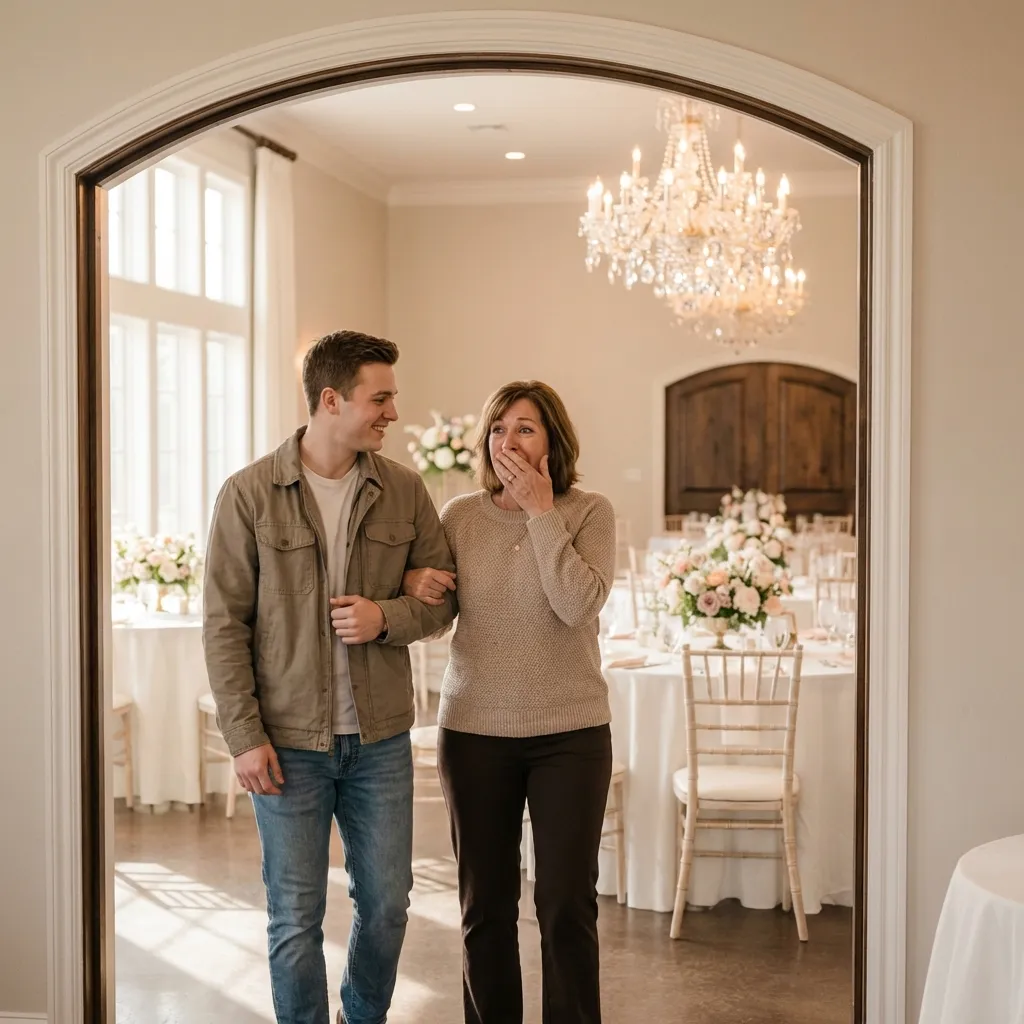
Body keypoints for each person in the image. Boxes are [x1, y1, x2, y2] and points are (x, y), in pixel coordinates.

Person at [202, 330, 458, 1024]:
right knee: (294, 917)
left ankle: (362, 1017)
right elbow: (224, 626)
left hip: (378, 741)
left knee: (386, 905)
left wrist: (387, 617)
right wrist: (243, 736)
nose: (392, 413)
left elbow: (445, 600)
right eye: (381, 399)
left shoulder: (404, 491)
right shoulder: (249, 495)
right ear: (330, 399)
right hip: (286, 744)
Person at [402, 380, 617, 1024]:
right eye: (499, 428)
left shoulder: (589, 512)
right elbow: (436, 620)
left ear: (554, 438)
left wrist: (541, 511)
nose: (508, 440)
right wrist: (416, 583)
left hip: (571, 732)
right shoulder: (460, 517)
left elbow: (577, 603)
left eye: (524, 427)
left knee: (565, 903)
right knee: (485, 906)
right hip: (474, 731)